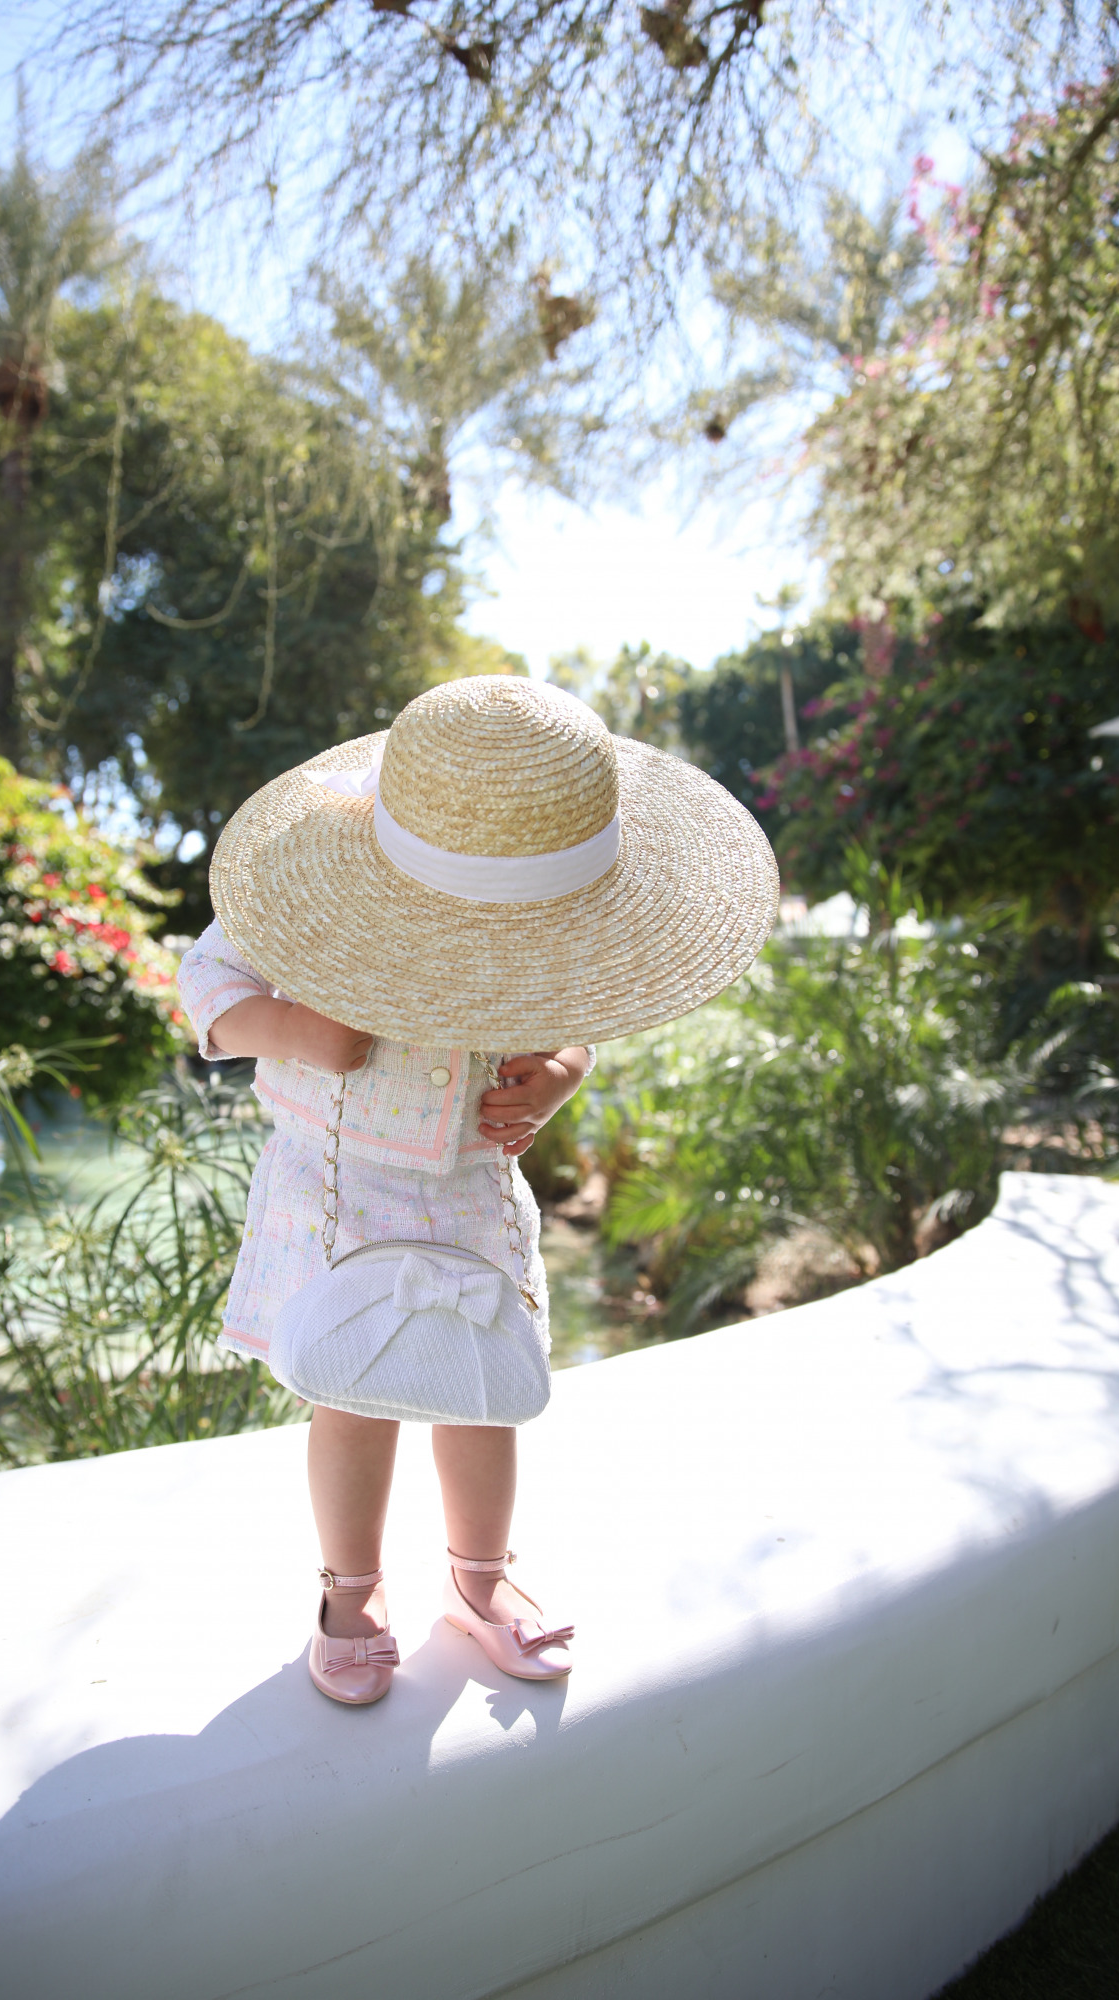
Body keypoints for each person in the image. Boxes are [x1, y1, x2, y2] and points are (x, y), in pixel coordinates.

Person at [177, 675, 777, 1707]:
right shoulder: (317, 888)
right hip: (338, 1184)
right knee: (352, 1394)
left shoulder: (552, 919)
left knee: (480, 1389)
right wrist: (291, 1030)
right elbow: (207, 978)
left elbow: (578, 1016)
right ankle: (350, 1590)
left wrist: (558, 1074)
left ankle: (481, 1579)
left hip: (469, 1186)